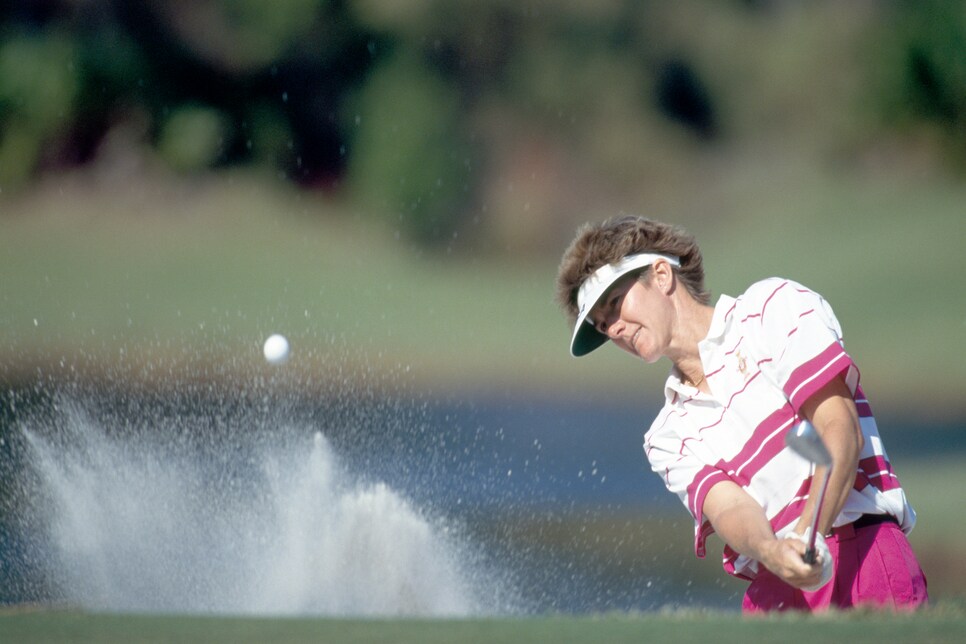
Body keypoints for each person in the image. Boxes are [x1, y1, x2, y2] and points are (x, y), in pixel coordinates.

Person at [555, 215, 928, 612]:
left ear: (661, 275)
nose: (612, 329)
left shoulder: (772, 308)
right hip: (777, 587)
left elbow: (840, 430)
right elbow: (730, 507)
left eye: (614, 305)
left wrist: (808, 533)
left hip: (864, 555)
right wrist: (773, 551)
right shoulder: (665, 437)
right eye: (601, 324)